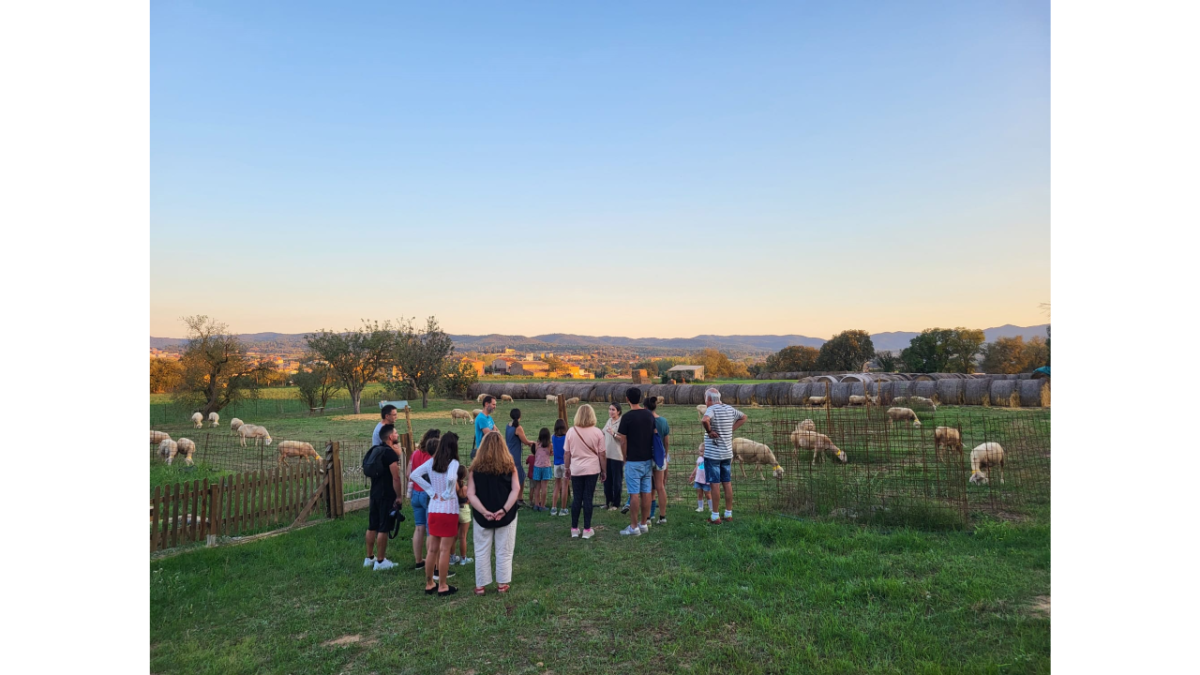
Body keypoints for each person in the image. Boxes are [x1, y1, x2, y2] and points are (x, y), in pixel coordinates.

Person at [410, 432, 463, 596]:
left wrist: (431, 490)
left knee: (432, 550)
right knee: (445, 550)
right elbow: (452, 477)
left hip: (433, 509)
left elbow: (414, 475)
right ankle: (442, 585)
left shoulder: (431, 462)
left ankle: (429, 583)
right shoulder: (453, 463)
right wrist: (448, 492)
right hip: (448, 510)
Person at [467, 432, 521, 595]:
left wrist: (484, 512)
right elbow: (516, 489)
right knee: (504, 549)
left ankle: (480, 586)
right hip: (506, 515)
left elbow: (470, 493)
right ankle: (502, 584)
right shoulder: (509, 466)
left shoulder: (474, 469)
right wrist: (504, 510)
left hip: (482, 516)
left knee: (481, 549)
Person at [701, 387, 747, 525]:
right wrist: (731, 429)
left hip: (713, 454)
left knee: (714, 484)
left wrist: (709, 431)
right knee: (727, 482)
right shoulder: (729, 408)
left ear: (709, 399)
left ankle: (715, 516)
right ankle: (728, 513)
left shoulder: (711, 409)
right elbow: (744, 417)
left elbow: (704, 420)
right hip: (727, 453)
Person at [614, 387, 656, 536]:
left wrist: (624, 457)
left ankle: (633, 527)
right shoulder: (649, 415)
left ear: (627, 399)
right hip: (647, 459)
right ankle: (644, 523)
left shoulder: (627, 417)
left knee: (634, 495)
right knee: (646, 493)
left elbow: (623, 440)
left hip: (633, 460)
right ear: (641, 397)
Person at [364, 424, 404, 570]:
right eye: (395, 432)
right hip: (386, 494)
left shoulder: (375, 450)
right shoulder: (389, 454)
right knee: (383, 527)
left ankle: (369, 558)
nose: (397, 434)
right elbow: (395, 478)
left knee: (372, 525)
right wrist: (399, 496)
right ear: (390, 437)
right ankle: (381, 561)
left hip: (374, 493)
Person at [563, 404, 607, 539]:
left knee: (577, 497)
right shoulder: (598, 432)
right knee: (588, 497)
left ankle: (574, 528)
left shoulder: (571, 431)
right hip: (592, 469)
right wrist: (603, 470)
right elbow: (602, 454)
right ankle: (587, 529)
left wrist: (567, 468)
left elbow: (567, 453)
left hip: (576, 468)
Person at [406, 429, 440, 570]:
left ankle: (419, 560)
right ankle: (435, 564)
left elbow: (409, 474)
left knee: (419, 527)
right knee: (430, 531)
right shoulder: (433, 457)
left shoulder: (415, 454)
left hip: (416, 494)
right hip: (428, 495)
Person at [647, 396, 670, 525]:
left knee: (648, 487)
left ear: (645, 407)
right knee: (660, 487)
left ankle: (648, 517)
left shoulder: (644, 421)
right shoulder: (663, 421)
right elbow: (666, 442)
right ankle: (662, 516)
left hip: (646, 457)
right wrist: (665, 455)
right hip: (659, 457)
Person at [505, 408, 534, 507]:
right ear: (520, 416)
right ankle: (518, 499)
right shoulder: (518, 428)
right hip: (515, 456)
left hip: (507, 453)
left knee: (513, 476)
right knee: (520, 476)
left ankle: (515, 498)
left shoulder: (508, 426)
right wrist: (534, 443)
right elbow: (525, 441)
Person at [602, 404, 624, 511]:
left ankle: (616, 504)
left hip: (617, 456)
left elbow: (623, 438)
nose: (611, 411)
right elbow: (603, 433)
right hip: (607, 455)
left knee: (617, 481)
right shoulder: (609, 421)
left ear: (618, 411)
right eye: (610, 409)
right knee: (607, 480)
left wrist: (614, 434)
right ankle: (607, 502)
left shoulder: (621, 422)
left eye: (613, 410)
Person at [453, 465, 474, 567]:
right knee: (463, 536)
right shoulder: (465, 488)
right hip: (464, 510)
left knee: (454, 536)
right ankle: (463, 559)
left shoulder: (454, 486)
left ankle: (452, 557)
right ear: (465, 475)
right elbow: (470, 499)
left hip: (455, 510)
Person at [549, 419, 569, 516]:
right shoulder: (566, 437)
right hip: (565, 463)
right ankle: (563, 509)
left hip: (556, 463)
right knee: (565, 485)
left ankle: (553, 508)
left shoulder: (553, 437)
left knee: (557, 486)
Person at [531, 427, 553, 511]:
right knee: (544, 488)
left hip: (537, 467)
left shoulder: (537, 444)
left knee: (537, 487)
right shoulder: (549, 445)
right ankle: (543, 505)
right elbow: (550, 453)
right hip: (546, 467)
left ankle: (536, 504)